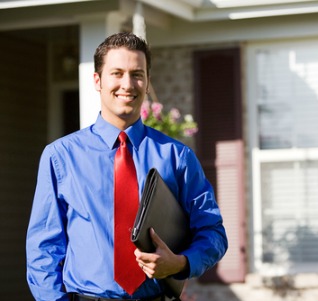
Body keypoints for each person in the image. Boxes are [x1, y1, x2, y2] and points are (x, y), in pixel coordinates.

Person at [26, 32, 228, 301]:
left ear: (147, 82)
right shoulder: (60, 156)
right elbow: (44, 250)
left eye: (137, 74)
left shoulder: (177, 157)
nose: (127, 84)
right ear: (98, 81)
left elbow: (213, 232)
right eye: (117, 73)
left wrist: (179, 264)